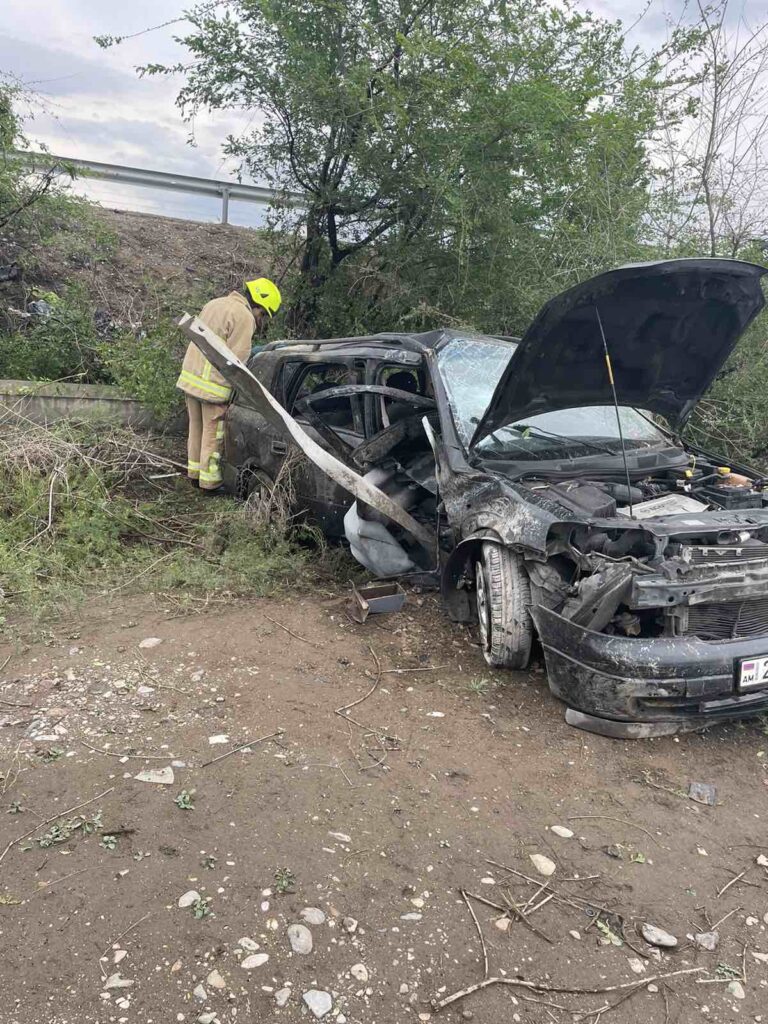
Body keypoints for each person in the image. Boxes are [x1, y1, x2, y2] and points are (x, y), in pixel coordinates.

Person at [177, 277, 281, 492]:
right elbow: (237, 360)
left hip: (191, 378)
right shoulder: (244, 316)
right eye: (263, 314)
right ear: (259, 305)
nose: (261, 319)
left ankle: (194, 475)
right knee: (213, 435)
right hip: (213, 385)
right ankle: (209, 484)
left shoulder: (215, 303)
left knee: (196, 428)